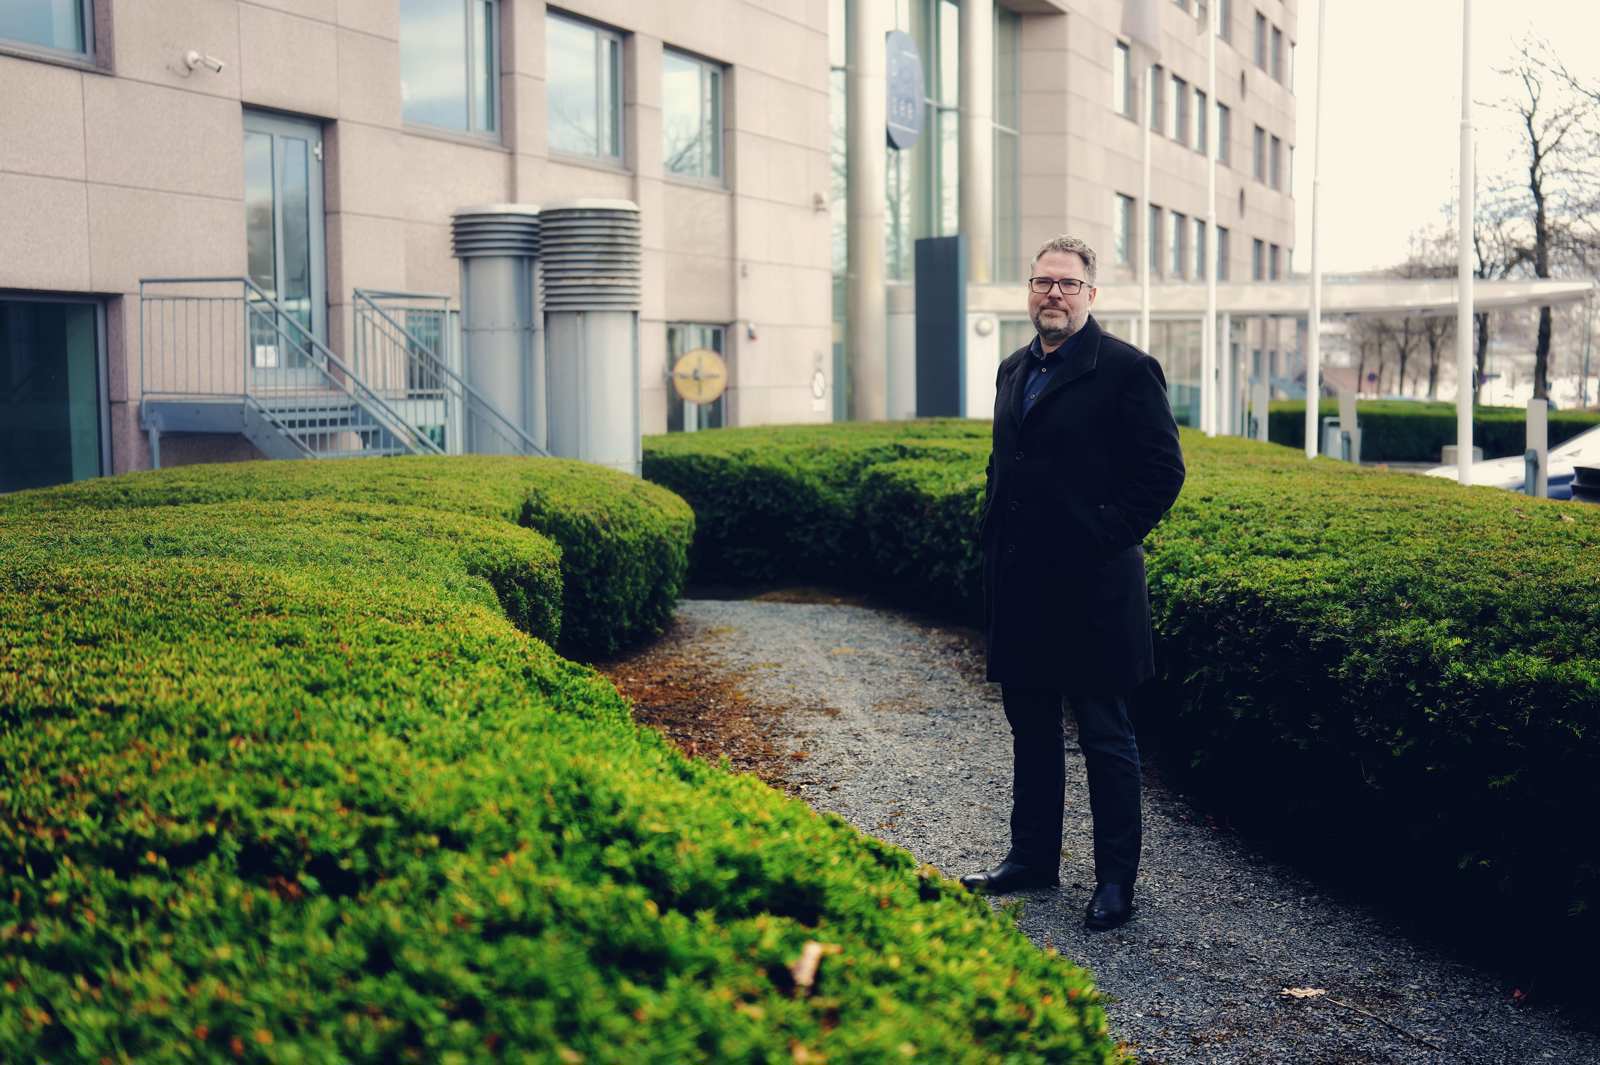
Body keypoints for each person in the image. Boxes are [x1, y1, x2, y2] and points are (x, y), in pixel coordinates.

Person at [961, 235, 1186, 932]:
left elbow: (1163, 471)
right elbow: (1008, 469)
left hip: (1093, 589)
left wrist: (1102, 532)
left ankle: (1116, 881)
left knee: (1105, 737)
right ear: (1029, 292)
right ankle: (1032, 858)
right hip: (1023, 584)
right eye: (1041, 282)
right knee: (1031, 729)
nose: (1052, 293)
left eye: (1066, 283)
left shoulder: (1126, 370)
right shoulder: (1011, 368)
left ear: (1091, 294)